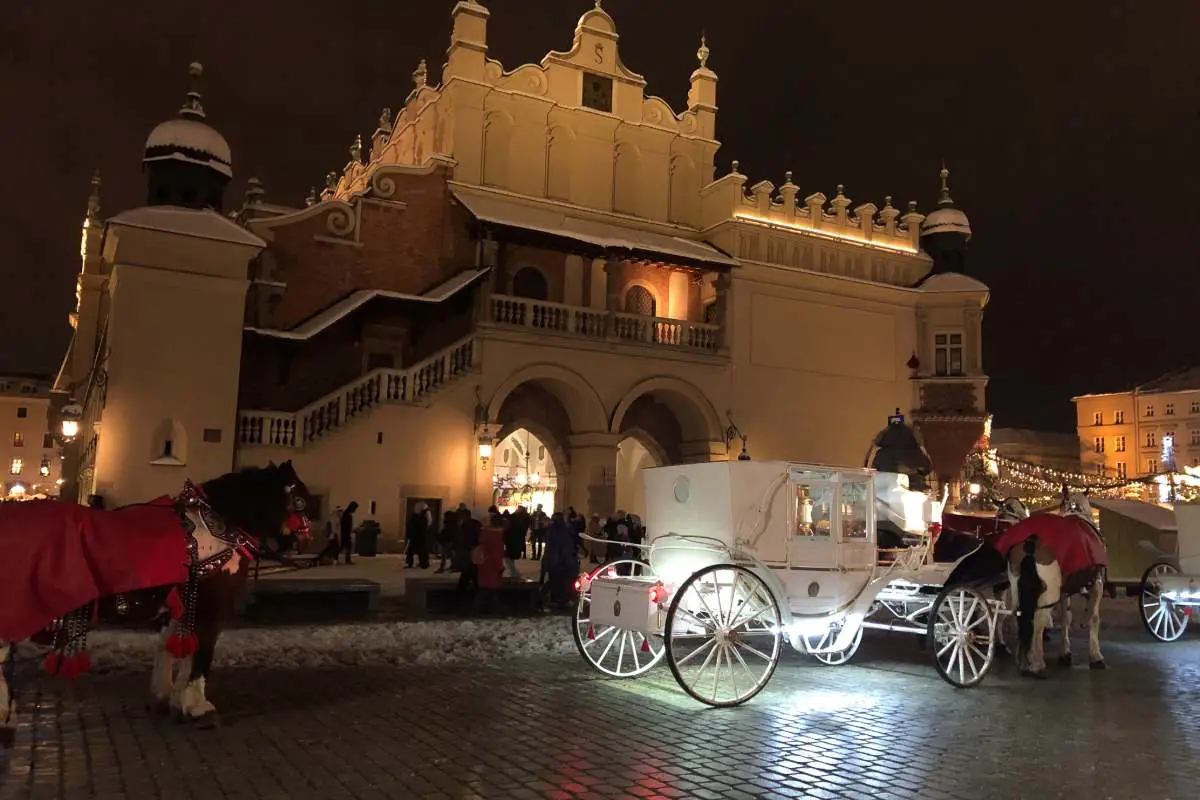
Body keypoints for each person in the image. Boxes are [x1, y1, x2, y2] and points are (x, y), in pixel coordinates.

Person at [543, 512, 580, 609]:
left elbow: (552, 547)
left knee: (556, 580)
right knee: (565, 580)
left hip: (559, 559)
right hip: (566, 559)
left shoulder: (553, 530)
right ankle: (565, 598)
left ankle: (558, 599)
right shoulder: (567, 529)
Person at [405, 502, 431, 569]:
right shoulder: (421, 517)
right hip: (419, 537)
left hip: (418, 537)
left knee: (416, 551)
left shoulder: (419, 517)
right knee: (419, 551)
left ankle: (422, 563)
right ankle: (423, 563)